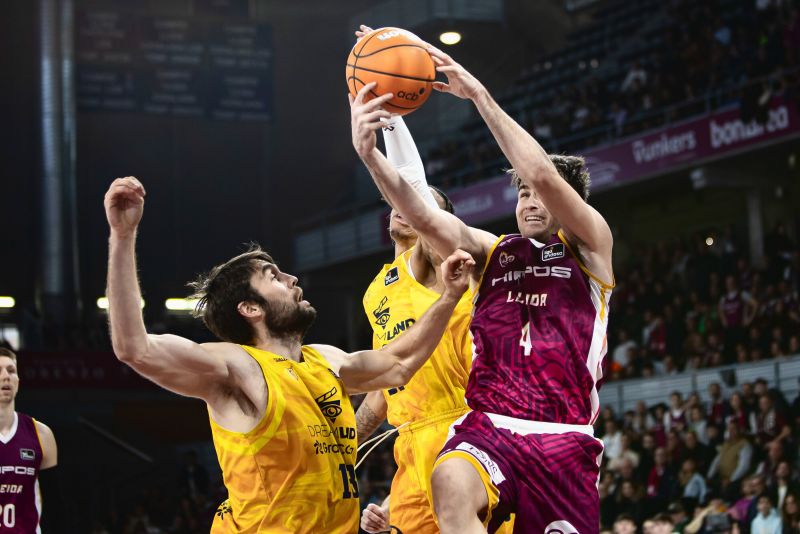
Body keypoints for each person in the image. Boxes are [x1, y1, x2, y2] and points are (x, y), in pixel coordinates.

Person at [103, 176, 475, 533]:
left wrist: (450, 297)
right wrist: (123, 236)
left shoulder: (325, 360)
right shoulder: (236, 367)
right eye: (273, 277)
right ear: (251, 308)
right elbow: (134, 348)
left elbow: (399, 365)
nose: (292, 279)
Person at [350, 40, 614, 533]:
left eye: (542, 195)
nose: (530, 201)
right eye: (522, 193)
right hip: (489, 425)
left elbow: (540, 170)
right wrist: (369, 154)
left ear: (571, 204)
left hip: (561, 435)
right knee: (449, 482)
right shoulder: (493, 252)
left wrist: (478, 96)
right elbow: (421, 212)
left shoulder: (591, 249)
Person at [0, 348, 58, 532]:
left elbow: (55, 506)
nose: (5, 376)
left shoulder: (42, 435)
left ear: (18, 381)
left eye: (11, 370)